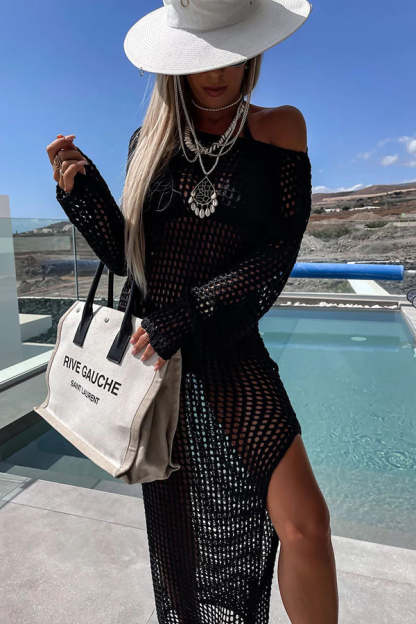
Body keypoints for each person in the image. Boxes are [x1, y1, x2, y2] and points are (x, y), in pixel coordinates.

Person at [46, 1, 339, 622]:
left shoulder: (280, 129)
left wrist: (190, 313)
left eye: (230, 53)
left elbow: (277, 253)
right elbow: (129, 258)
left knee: (306, 524)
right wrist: (83, 191)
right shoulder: (148, 141)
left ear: (252, 52)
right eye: (202, 55)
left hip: (229, 350)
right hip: (156, 357)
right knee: (178, 540)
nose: (217, 71)